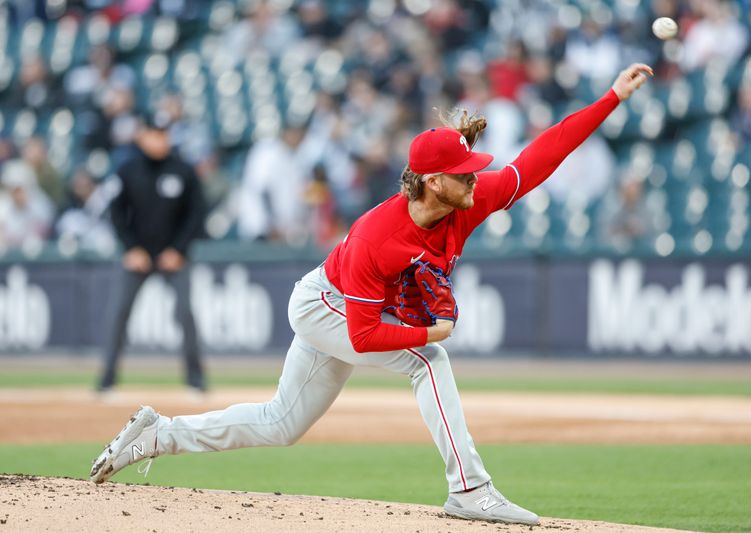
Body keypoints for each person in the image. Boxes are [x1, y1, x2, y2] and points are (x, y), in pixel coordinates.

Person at [90, 63, 653, 526]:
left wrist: (611, 98)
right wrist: (430, 332)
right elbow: (362, 335)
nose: (476, 178)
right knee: (429, 360)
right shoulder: (377, 237)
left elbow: (540, 157)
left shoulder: (470, 198)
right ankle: (470, 490)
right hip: (326, 306)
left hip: (347, 305)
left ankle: (156, 437)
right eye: (464, 174)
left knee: (281, 423)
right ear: (433, 181)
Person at [96, 111, 207, 394]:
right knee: (119, 312)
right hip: (138, 256)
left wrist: (178, 249)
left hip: (174, 256)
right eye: (154, 133)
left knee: (185, 312)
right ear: (141, 135)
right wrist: (131, 248)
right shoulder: (128, 170)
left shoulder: (183, 170)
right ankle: (106, 379)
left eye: (164, 134)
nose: (160, 140)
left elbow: (196, 214)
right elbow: (116, 213)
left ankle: (195, 379)